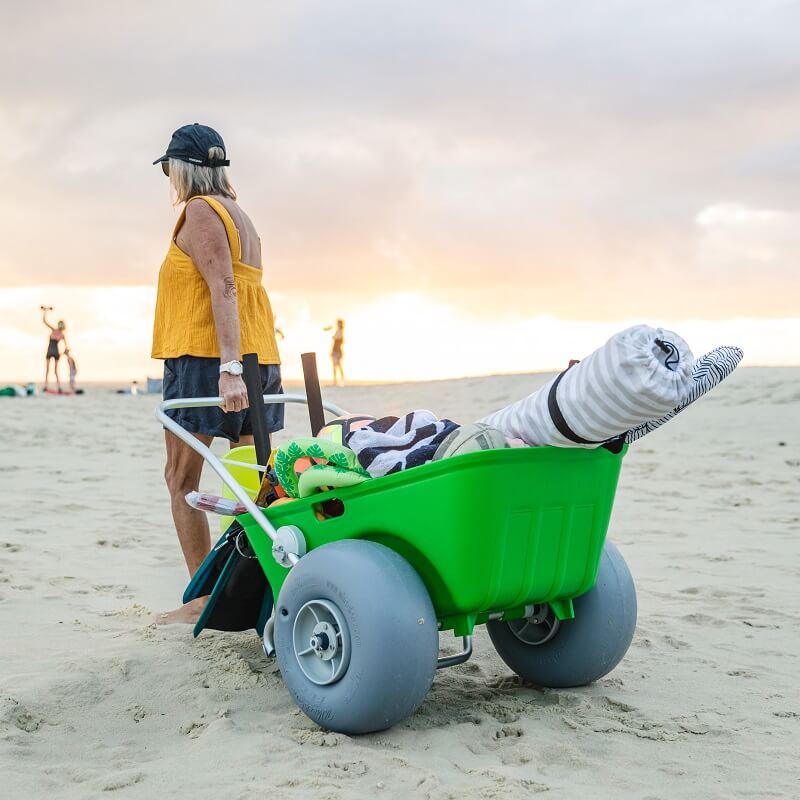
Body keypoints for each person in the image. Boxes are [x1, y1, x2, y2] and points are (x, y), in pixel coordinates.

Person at [151, 123, 283, 625]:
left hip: (209, 358)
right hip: (258, 357)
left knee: (182, 478)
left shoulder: (201, 211)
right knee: (253, 482)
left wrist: (227, 368)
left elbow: (223, 287)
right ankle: (259, 589)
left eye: (168, 169)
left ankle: (203, 600)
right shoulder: (240, 214)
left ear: (181, 169)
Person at [41, 306, 67, 392]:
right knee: (55, 371)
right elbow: (66, 348)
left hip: (50, 351)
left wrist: (45, 311)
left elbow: (44, 321)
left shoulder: (54, 330)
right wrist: (63, 353)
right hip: (56, 352)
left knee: (48, 370)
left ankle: (46, 386)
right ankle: (58, 387)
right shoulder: (62, 335)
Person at [326, 318, 345, 386]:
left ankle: (337, 381)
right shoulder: (339, 331)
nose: (337, 324)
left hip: (337, 351)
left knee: (336, 366)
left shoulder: (340, 331)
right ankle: (338, 381)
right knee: (337, 366)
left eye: (338, 323)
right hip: (337, 351)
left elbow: (336, 338)